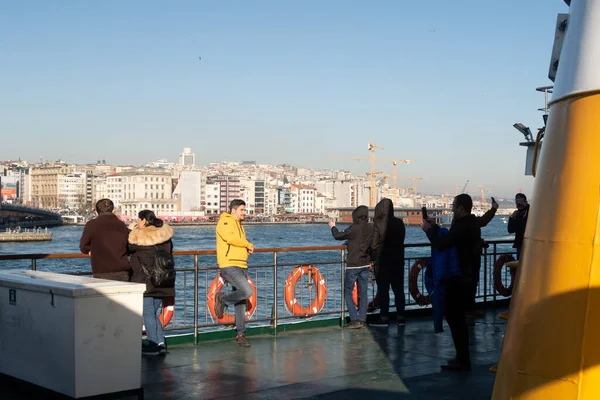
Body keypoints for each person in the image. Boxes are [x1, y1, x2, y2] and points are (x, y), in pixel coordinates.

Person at [421, 194, 481, 371]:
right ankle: (462, 358)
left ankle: (463, 360)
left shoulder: (462, 226)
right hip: (467, 277)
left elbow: (442, 244)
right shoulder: (471, 224)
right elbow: (451, 239)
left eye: (454, 206)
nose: (452, 209)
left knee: (455, 319)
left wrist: (429, 231)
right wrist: (435, 227)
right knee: (458, 319)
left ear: (461, 208)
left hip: (458, 279)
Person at [128, 210, 175, 356]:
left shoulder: (138, 239)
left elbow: (128, 247)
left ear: (143, 220)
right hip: (163, 280)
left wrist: (131, 229)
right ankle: (160, 343)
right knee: (153, 313)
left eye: (138, 220)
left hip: (145, 282)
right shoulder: (165, 237)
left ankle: (153, 344)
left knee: (148, 313)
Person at [213, 199, 255, 347]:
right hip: (229, 265)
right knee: (247, 291)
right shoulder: (225, 222)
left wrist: (245, 250)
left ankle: (241, 334)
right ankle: (223, 300)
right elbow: (230, 238)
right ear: (234, 210)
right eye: (242, 210)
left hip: (242, 264)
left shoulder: (239, 224)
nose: (245, 213)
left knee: (241, 303)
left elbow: (237, 241)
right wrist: (247, 244)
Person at [329, 205, 373, 329]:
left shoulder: (353, 229)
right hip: (365, 263)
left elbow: (337, 236)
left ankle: (354, 319)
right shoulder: (370, 227)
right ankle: (363, 319)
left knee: (347, 292)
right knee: (363, 292)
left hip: (353, 265)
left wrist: (332, 226)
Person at [370, 198, 406, 326]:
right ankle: (401, 317)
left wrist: (373, 258)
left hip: (383, 263)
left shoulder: (378, 224)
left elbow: (374, 245)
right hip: (398, 262)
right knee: (399, 291)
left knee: (384, 291)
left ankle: (384, 317)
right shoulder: (399, 223)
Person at [79, 198, 131, 281]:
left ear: (96, 212)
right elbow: (129, 247)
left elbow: (83, 247)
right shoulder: (122, 225)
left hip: (101, 271)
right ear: (113, 210)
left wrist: (92, 249)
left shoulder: (92, 224)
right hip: (122, 270)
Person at [508, 193, 529, 259]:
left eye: (520, 204)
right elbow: (510, 230)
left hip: (529, 244)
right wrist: (511, 218)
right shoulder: (518, 214)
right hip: (520, 244)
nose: (519, 206)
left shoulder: (530, 212)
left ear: (525, 202)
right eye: (517, 204)